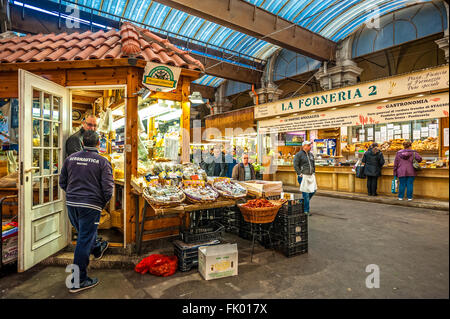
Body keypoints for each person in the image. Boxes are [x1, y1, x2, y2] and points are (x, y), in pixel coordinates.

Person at [59, 130, 114, 293]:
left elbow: (62, 182)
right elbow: (108, 189)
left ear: (82, 143)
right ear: (99, 144)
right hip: (90, 205)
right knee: (83, 240)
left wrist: (72, 195)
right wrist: (101, 203)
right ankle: (78, 280)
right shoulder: (103, 162)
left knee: (85, 235)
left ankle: (97, 248)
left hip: (72, 204)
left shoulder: (70, 159)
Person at [293, 141, 316, 215]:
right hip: (303, 176)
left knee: (313, 190)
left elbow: (313, 164)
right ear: (304, 146)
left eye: (310, 145)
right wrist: (299, 173)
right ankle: (306, 210)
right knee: (305, 193)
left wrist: (314, 172)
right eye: (308, 145)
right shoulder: (299, 155)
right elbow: (295, 165)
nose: (310, 146)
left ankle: (302, 203)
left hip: (311, 176)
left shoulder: (311, 155)